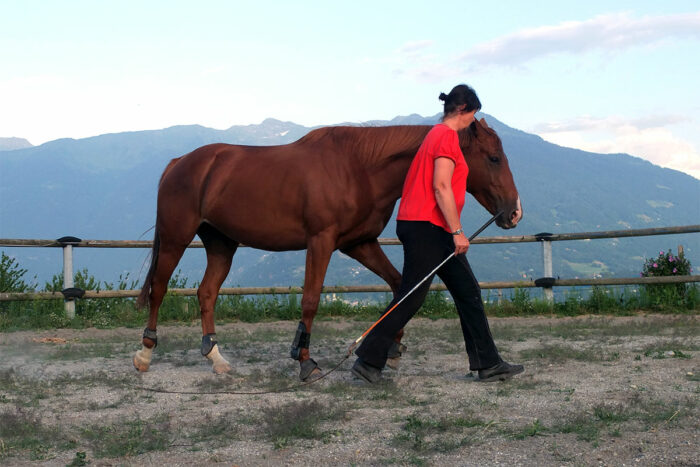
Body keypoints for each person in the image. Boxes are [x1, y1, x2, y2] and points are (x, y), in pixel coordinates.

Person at [351, 84, 524, 383]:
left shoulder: (439, 136)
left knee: (468, 291)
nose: (472, 121)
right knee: (412, 297)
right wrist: (458, 231)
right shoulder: (444, 137)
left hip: (435, 227)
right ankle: (368, 360)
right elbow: (441, 186)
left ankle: (488, 363)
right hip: (426, 227)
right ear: (461, 110)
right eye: (472, 114)